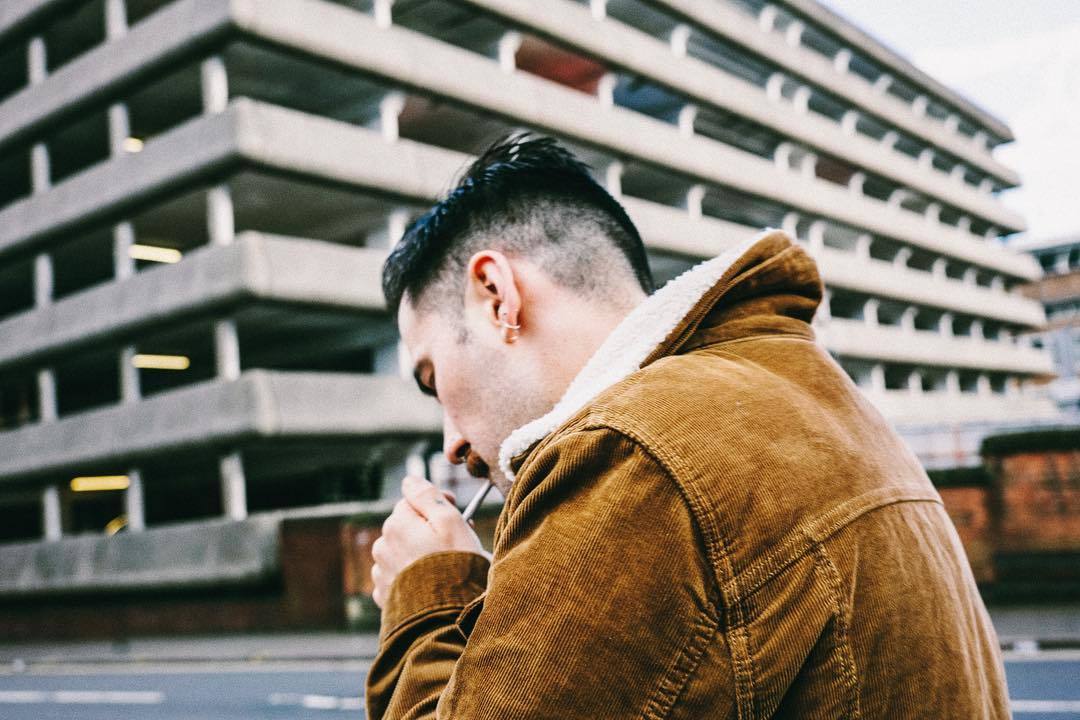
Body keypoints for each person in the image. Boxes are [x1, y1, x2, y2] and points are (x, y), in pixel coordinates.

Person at [365, 133, 1010, 719]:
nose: (451, 441)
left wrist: (426, 596)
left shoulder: (634, 457)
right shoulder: (801, 398)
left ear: (498, 295)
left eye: (433, 379)